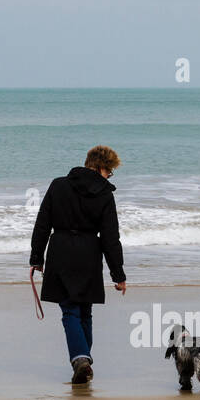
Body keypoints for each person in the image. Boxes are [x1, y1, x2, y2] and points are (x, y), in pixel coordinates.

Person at [29, 145, 127, 384]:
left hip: (60, 250)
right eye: (110, 172)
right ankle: (83, 360)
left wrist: (37, 258)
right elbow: (110, 238)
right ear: (102, 167)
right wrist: (118, 274)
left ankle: (81, 360)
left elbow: (42, 224)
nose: (108, 177)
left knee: (70, 310)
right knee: (84, 311)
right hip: (89, 252)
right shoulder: (105, 194)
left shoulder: (58, 185)